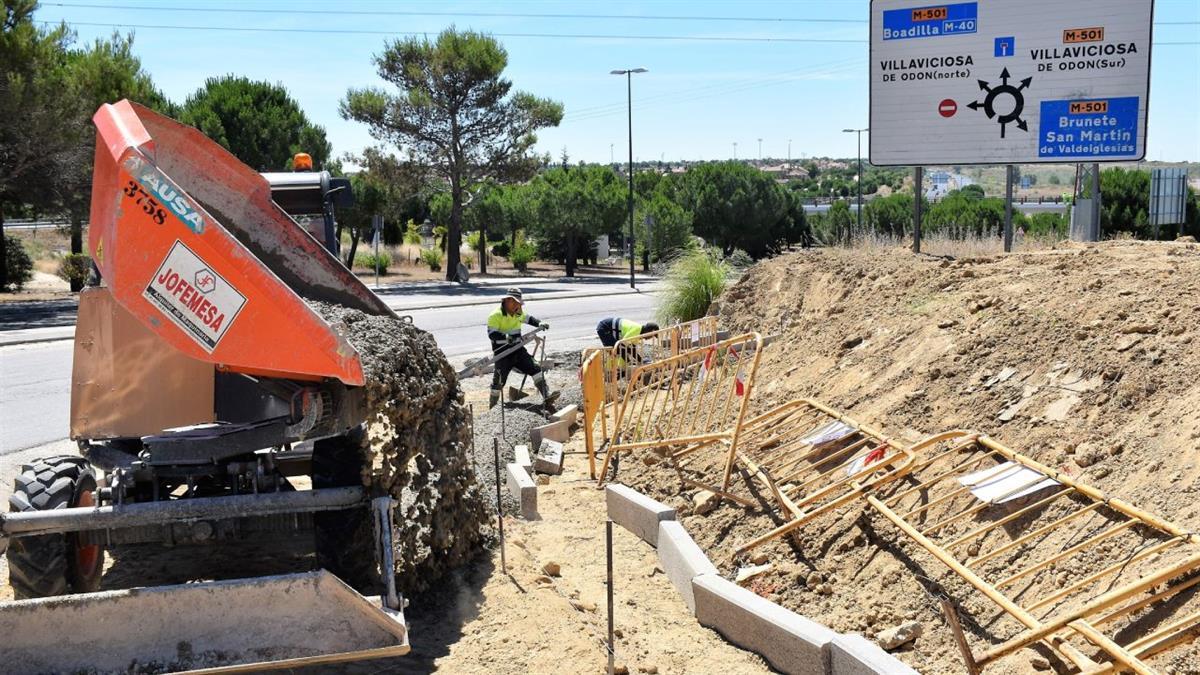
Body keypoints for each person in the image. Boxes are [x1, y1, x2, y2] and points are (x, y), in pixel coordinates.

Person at [487, 288, 560, 409]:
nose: (518, 306)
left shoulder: (517, 312)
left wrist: (539, 323)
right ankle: (492, 407)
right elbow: (492, 334)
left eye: (519, 303)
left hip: (518, 350)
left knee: (536, 369)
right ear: (508, 300)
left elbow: (528, 318)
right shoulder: (495, 315)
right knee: (498, 382)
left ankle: (547, 397)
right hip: (502, 353)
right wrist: (506, 338)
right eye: (515, 303)